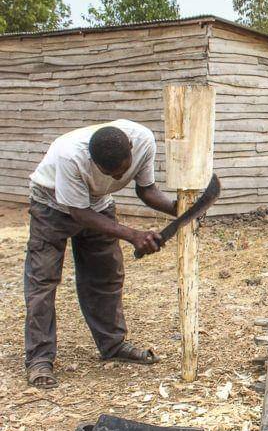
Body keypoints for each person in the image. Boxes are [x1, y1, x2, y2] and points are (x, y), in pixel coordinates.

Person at [24, 120, 177, 388]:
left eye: (121, 171)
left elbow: (146, 190)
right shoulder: (69, 155)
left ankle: (113, 345)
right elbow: (79, 213)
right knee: (43, 281)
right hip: (51, 204)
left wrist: (179, 210)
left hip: (97, 203)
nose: (118, 178)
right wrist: (133, 235)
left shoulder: (143, 140)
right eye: (108, 172)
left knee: (106, 275)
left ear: (130, 148)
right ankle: (40, 359)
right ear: (91, 159)